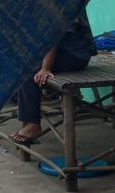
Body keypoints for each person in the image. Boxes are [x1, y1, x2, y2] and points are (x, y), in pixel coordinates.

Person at [9, 11, 96, 146]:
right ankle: (28, 120)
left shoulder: (58, 0)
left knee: (27, 71)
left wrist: (45, 68)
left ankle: (32, 125)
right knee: (22, 65)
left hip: (75, 56)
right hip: (63, 52)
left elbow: (53, 38)